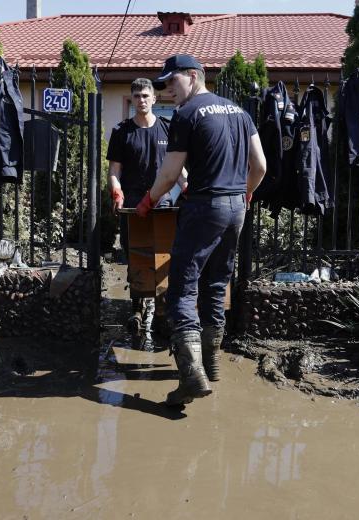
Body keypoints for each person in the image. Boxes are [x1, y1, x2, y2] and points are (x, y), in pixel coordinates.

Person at [136, 54, 266, 406]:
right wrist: (246, 192)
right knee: (215, 283)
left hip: (204, 207)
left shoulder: (188, 114)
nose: (167, 91)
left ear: (193, 77)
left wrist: (149, 201)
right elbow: (261, 165)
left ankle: (192, 375)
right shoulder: (240, 112)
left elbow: (168, 174)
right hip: (236, 208)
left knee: (182, 286)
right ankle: (212, 365)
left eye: (172, 82)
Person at [107, 78, 178, 336]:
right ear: (132, 99)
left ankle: (160, 310)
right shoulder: (122, 131)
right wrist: (117, 192)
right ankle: (137, 308)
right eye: (136, 96)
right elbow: (114, 170)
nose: (141, 100)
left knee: (163, 256)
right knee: (136, 254)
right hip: (133, 205)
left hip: (163, 203)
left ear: (154, 99)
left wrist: (188, 187)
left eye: (146, 95)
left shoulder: (167, 130)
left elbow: (177, 169)